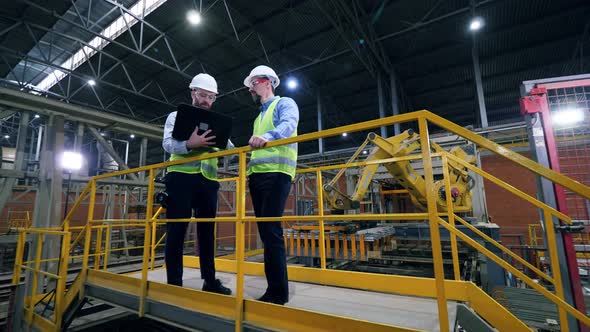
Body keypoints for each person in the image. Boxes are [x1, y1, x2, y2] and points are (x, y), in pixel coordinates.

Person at [161, 73, 231, 294]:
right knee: (176, 231)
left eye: (211, 97)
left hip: (208, 182)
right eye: (203, 95)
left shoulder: (217, 123)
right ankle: (174, 284)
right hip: (180, 178)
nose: (206, 100)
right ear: (193, 92)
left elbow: (230, 148)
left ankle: (209, 281)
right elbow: (167, 144)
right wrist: (189, 144)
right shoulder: (175, 116)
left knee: (207, 233)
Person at [243, 65, 299, 305]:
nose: (251, 89)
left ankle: (278, 293)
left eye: (253, 83)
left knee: (272, 232)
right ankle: (273, 289)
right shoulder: (259, 117)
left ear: (267, 82)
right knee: (266, 233)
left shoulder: (284, 103)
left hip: (277, 174)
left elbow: (288, 125)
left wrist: (269, 137)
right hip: (257, 176)